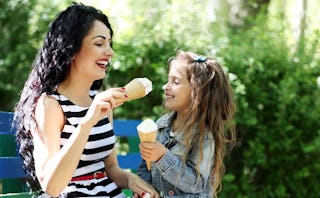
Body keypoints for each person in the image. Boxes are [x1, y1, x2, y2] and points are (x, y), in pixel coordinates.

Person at [14, 3, 158, 198]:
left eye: (109, 43)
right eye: (99, 43)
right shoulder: (49, 104)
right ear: (71, 48)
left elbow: (111, 169)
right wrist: (88, 121)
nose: (110, 52)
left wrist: (130, 179)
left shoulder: (101, 103)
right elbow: (52, 186)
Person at [137, 50, 236, 198]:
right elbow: (146, 167)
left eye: (175, 82)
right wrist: (143, 190)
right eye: (168, 80)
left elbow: (197, 183)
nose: (165, 86)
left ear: (197, 92)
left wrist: (162, 156)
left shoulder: (205, 136)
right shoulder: (161, 126)